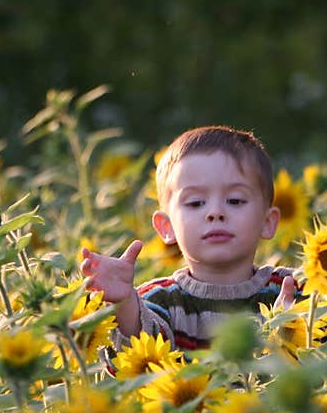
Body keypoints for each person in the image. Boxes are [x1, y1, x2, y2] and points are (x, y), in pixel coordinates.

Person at [80, 125, 302, 352]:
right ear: (166, 226)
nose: (215, 212)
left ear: (267, 222)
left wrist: (293, 325)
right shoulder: (162, 301)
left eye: (235, 200)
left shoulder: (290, 289)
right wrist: (124, 303)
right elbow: (141, 352)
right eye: (196, 202)